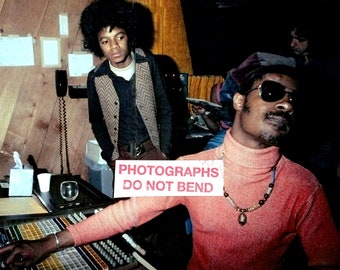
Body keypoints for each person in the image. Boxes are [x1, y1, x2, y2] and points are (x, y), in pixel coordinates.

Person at [1, 53, 340, 269]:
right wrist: (47, 243)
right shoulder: (194, 170)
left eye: (292, 100)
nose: (285, 105)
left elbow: (326, 258)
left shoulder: (304, 187)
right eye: (272, 93)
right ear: (238, 101)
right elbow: (127, 212)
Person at [80, 0, 172, 195]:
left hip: (153, 154)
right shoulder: (96, 78)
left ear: (128, 35)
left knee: (158, 219)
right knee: (127, 220)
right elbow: (96, 121)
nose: (114, 46)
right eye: (105, 41)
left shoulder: (148, 63)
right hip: (122, 160)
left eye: (119, 37)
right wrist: (110, 157)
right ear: (98, 45)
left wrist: (164, 151)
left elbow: (165, 109)